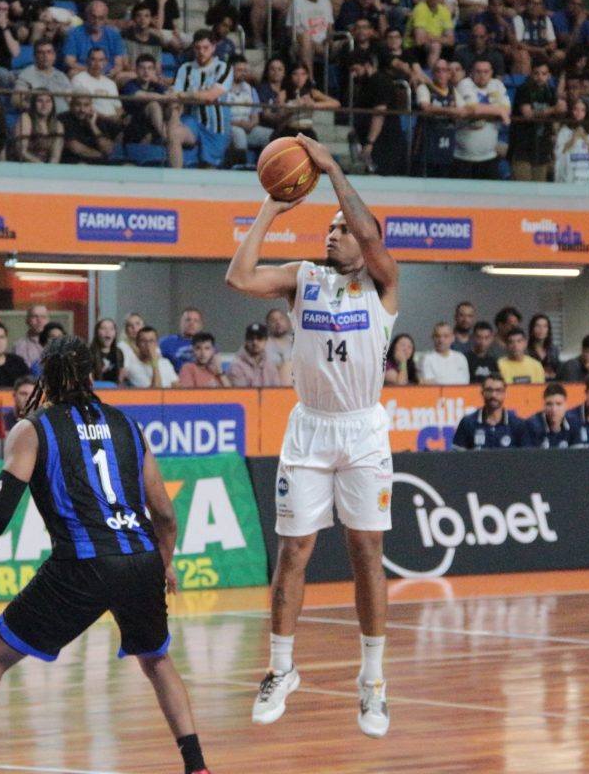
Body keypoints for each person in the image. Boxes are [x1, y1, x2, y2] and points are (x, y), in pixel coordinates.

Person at [0, 337, 211, 774]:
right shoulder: (128, 425)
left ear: (47, 379)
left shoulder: (32, 429)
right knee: (157, 660)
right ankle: (197, 765)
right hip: (141, 556)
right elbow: (166, 514)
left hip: (84, 562)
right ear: (92, 375)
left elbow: (1, 509)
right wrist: (163, 563)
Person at [225, 133, 398, 738]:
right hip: (310, 429)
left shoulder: (383, 282)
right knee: (293, 551)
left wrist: (332, 169)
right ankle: (280, 669)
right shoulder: (304, 278)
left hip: (363, 429)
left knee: (365, 552)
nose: (333, 233)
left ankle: (372, 682)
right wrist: (271, 206)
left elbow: (369, 234)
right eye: (329, 227)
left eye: (342, 229)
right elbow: (238, 276)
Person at [172, 30, 232, 169]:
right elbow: (175, 97)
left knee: (209, 169)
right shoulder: (185, 69)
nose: (201, 52)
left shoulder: (223, 68)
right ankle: (175, 177)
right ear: (193, 48)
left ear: (213, 47)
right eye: (198, 48)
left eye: (205, 48)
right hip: (192, 121)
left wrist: (185, 95)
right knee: (174, 134)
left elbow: (210, 96)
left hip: (216, 125)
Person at [453, 59, 510, 179]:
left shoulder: (497, 85)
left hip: (489, 157)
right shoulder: (465, 84)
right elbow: (474, 108)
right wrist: (498, 111)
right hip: (463, 157)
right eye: (478, 71)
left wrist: (478, 113)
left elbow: (507, 110)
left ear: (491, 72)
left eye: (486, 71)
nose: (482, 75)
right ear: (472, 72)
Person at [451, 374, 528, 450]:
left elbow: (526, 456)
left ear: (505, 394)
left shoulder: (518, 425)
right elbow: (457, 456)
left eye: (498, 390)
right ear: (482, 393)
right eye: (489, 390)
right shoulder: (468, 423)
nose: (493, 395)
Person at [0, 375, 36, 459]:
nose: (28, 399)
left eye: (32, 395)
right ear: (14, 396)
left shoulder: (44, 426)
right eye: (23, 394)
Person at [229, 322, 282, 387]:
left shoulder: (270, 365)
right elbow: (241, 392)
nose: (255, 342)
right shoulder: (237, 365)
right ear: (246, 341)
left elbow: (277, 390)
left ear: (266, 341)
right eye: (251, 338)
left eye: (259, 338)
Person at [525, 383, 576, 448]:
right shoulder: (532, 425)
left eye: (559, 404)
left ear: (565, 405)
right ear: (543, 406)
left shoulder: (573, 424)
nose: (554, 409)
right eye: (549, 404)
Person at [160, 308, 204, 372]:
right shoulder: (165, 343)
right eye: (188, 320)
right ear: (181, 323)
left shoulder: (207, 345)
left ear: (200, 325)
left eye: (196, 321)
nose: (191, 323)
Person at [526, 313, 560, 380]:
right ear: (532, 329)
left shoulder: (554, 349)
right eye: (537, 326)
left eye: (545, 326)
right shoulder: (525, 349)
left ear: (548, 330)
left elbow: (556, 369)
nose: (541, 329)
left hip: (551, 381)